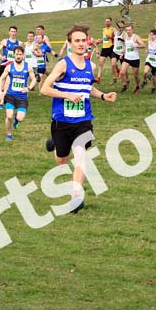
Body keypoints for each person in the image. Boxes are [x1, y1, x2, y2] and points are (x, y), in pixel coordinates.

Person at [41, 25, 117, 214]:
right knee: (62, 160)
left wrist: (102, 95)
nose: (81, 44)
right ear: (70, 43)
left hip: (83, 120)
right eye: (77, 40)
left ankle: (76, 197)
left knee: (81, 155)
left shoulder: (90, 66)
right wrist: (67, 95)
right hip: (62, 120)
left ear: (88, 42)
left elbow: (87, 88)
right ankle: (55, 144)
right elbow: (44, 89)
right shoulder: (63, 64)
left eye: (84, 40)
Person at [0, 46, 37, 141]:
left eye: (20, 54)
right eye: (17, 54)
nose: (18, 56)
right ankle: (9, 134)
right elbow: (1, 79)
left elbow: (34, 79)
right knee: (9, 116)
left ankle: (17, 119)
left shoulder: (28, 66)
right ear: (14, 55)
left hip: (22, 97)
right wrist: (0, 91)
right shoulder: (9, 67)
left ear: (23, 55)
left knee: (20, 118)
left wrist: (29, 87)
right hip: (10, 95)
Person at [0, 26, 20, 109]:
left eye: (14, 31)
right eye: (11, 31)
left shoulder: (19, 43)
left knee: (8, 83)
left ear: (16, 33)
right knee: (2, 84)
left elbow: (22, 54)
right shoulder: (5, 41)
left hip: (12, 66)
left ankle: (2, 102)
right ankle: (2, 94)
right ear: (9, 32)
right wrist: (1, 57)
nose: (13, 33)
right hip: (4, 64)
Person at [118, 24, 145, 93]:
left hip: (135, 59)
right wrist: (123, 53)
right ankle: (124, 85)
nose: (128, 31)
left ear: (132, 30)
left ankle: (137, 86)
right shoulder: (125, 36)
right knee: (122, 72)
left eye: (129, 30)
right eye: (127, 30)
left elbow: (143, 45)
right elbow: (126, 46)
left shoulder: (136, 37)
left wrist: (136, 46)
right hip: (127, 58)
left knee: (135, 75)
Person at [96, 17, 116, 83]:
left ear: (111, 22)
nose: (107, 23)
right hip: (104, 48)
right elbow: (105, 39)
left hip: (111, 48)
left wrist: (110, 37)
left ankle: (117, 70)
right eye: (106, 21)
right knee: (100, 63)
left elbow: (117, 38)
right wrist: (100, 41)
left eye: (108, 21)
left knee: (113, 64)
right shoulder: (104, 29)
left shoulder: (113, 29)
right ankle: (98, 78)